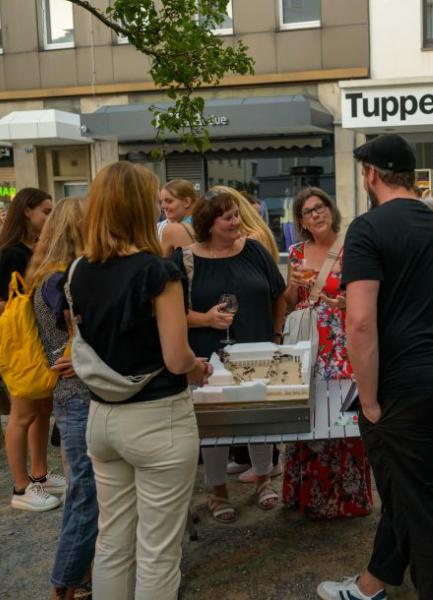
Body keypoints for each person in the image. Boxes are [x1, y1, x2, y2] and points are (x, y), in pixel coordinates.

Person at [318, 135, 433, 600]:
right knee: (410, 491)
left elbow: (359, 323)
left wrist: (368, 400)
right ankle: (369, 586)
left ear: (371, 174)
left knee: (419, 506)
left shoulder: (368, 228)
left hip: (401, 386)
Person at [68, 161, 210, 600]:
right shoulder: (157, 272)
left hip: (103, 415)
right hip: (157, 417)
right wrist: (197, 367)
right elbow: (175, 356)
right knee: (158, 550)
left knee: (112, 541)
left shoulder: (79, 270)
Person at [172, 187, 286, 523]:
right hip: (206, 358)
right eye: (229, 217)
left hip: (257, 349)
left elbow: (278, 295)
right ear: (209, 223)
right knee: (214, 425)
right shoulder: (184, 260)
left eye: (237, 215)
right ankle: (217, 491)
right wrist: (206, 319)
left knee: (259, 419)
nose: (238, 222)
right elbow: (170, 313)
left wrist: (277, 335)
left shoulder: (253, 250)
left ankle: (263, 479)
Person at [282, 187, 372, 519]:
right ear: (301, 221)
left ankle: (349, 497)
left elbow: (365, 296)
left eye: (320, 207)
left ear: (331, 211)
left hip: (344, 340)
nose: (316, 214)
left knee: (346, 417)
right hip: (309, 344)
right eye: (308, 211)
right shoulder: (295, 252)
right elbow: (291, 303)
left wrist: (347, 303)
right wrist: (291, 284)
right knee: (310, 415)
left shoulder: (353, 249)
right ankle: (310, 496)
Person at [26, 197, 98, 600]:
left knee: (82, 489)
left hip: (68, 395)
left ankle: (81, 577)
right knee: (85, 493)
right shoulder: (64, 281)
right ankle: (65, 584)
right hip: (79, 394)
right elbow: (78, 339)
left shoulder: (45, 275)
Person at [0, 187, 64, 511]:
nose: (50, 218)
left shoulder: (36, 248)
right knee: (21, 414)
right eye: (46, 211)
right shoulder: (11, 253)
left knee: (42, 409)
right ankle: (21, 487)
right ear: (27, 211)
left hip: (40, 342)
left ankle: (39, 475)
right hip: (20, 346)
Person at [159, 180, 197, 256]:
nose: (163, 206)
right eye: (161, 202)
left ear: (187, 202)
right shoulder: (207, 223)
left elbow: (161, 263)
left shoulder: (172, 229)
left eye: (169, 201)